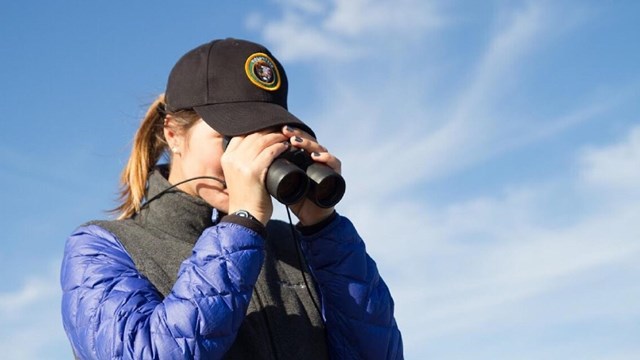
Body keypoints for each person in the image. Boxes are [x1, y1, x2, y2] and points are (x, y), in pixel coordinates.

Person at [60, 38, 403, 359]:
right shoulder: (102, 247)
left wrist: (323, 228)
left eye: (265, 141)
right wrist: (242, 222)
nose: (247, 161)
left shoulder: (292, 245)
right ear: (172, 135)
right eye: (231, 138)